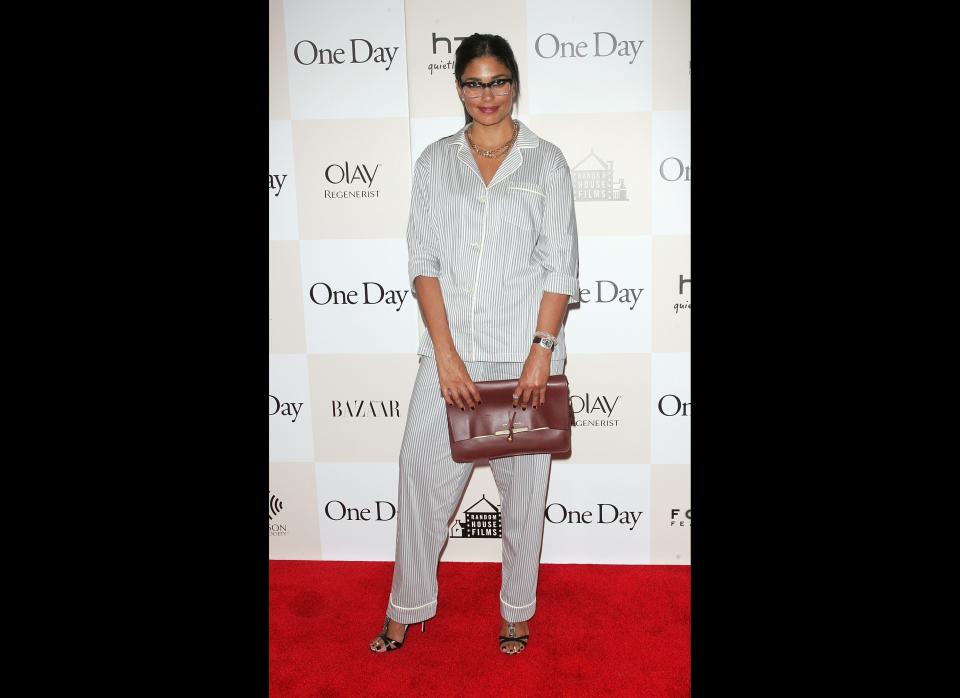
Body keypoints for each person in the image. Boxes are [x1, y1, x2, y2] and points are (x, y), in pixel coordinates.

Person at [369, 33, 579, 656]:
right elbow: (423, 262)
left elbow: (558, 268)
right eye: (473, 83)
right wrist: (447, 357)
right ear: (458, 87)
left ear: (515, 83)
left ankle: (517, 609)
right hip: (449, 360)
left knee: (525, 492)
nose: (486, 95)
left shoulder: (547, 163)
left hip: (524, 361)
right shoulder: (435, 162)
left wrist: (541, 351)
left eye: (498, 81)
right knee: (418, 481)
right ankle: (407, 605)